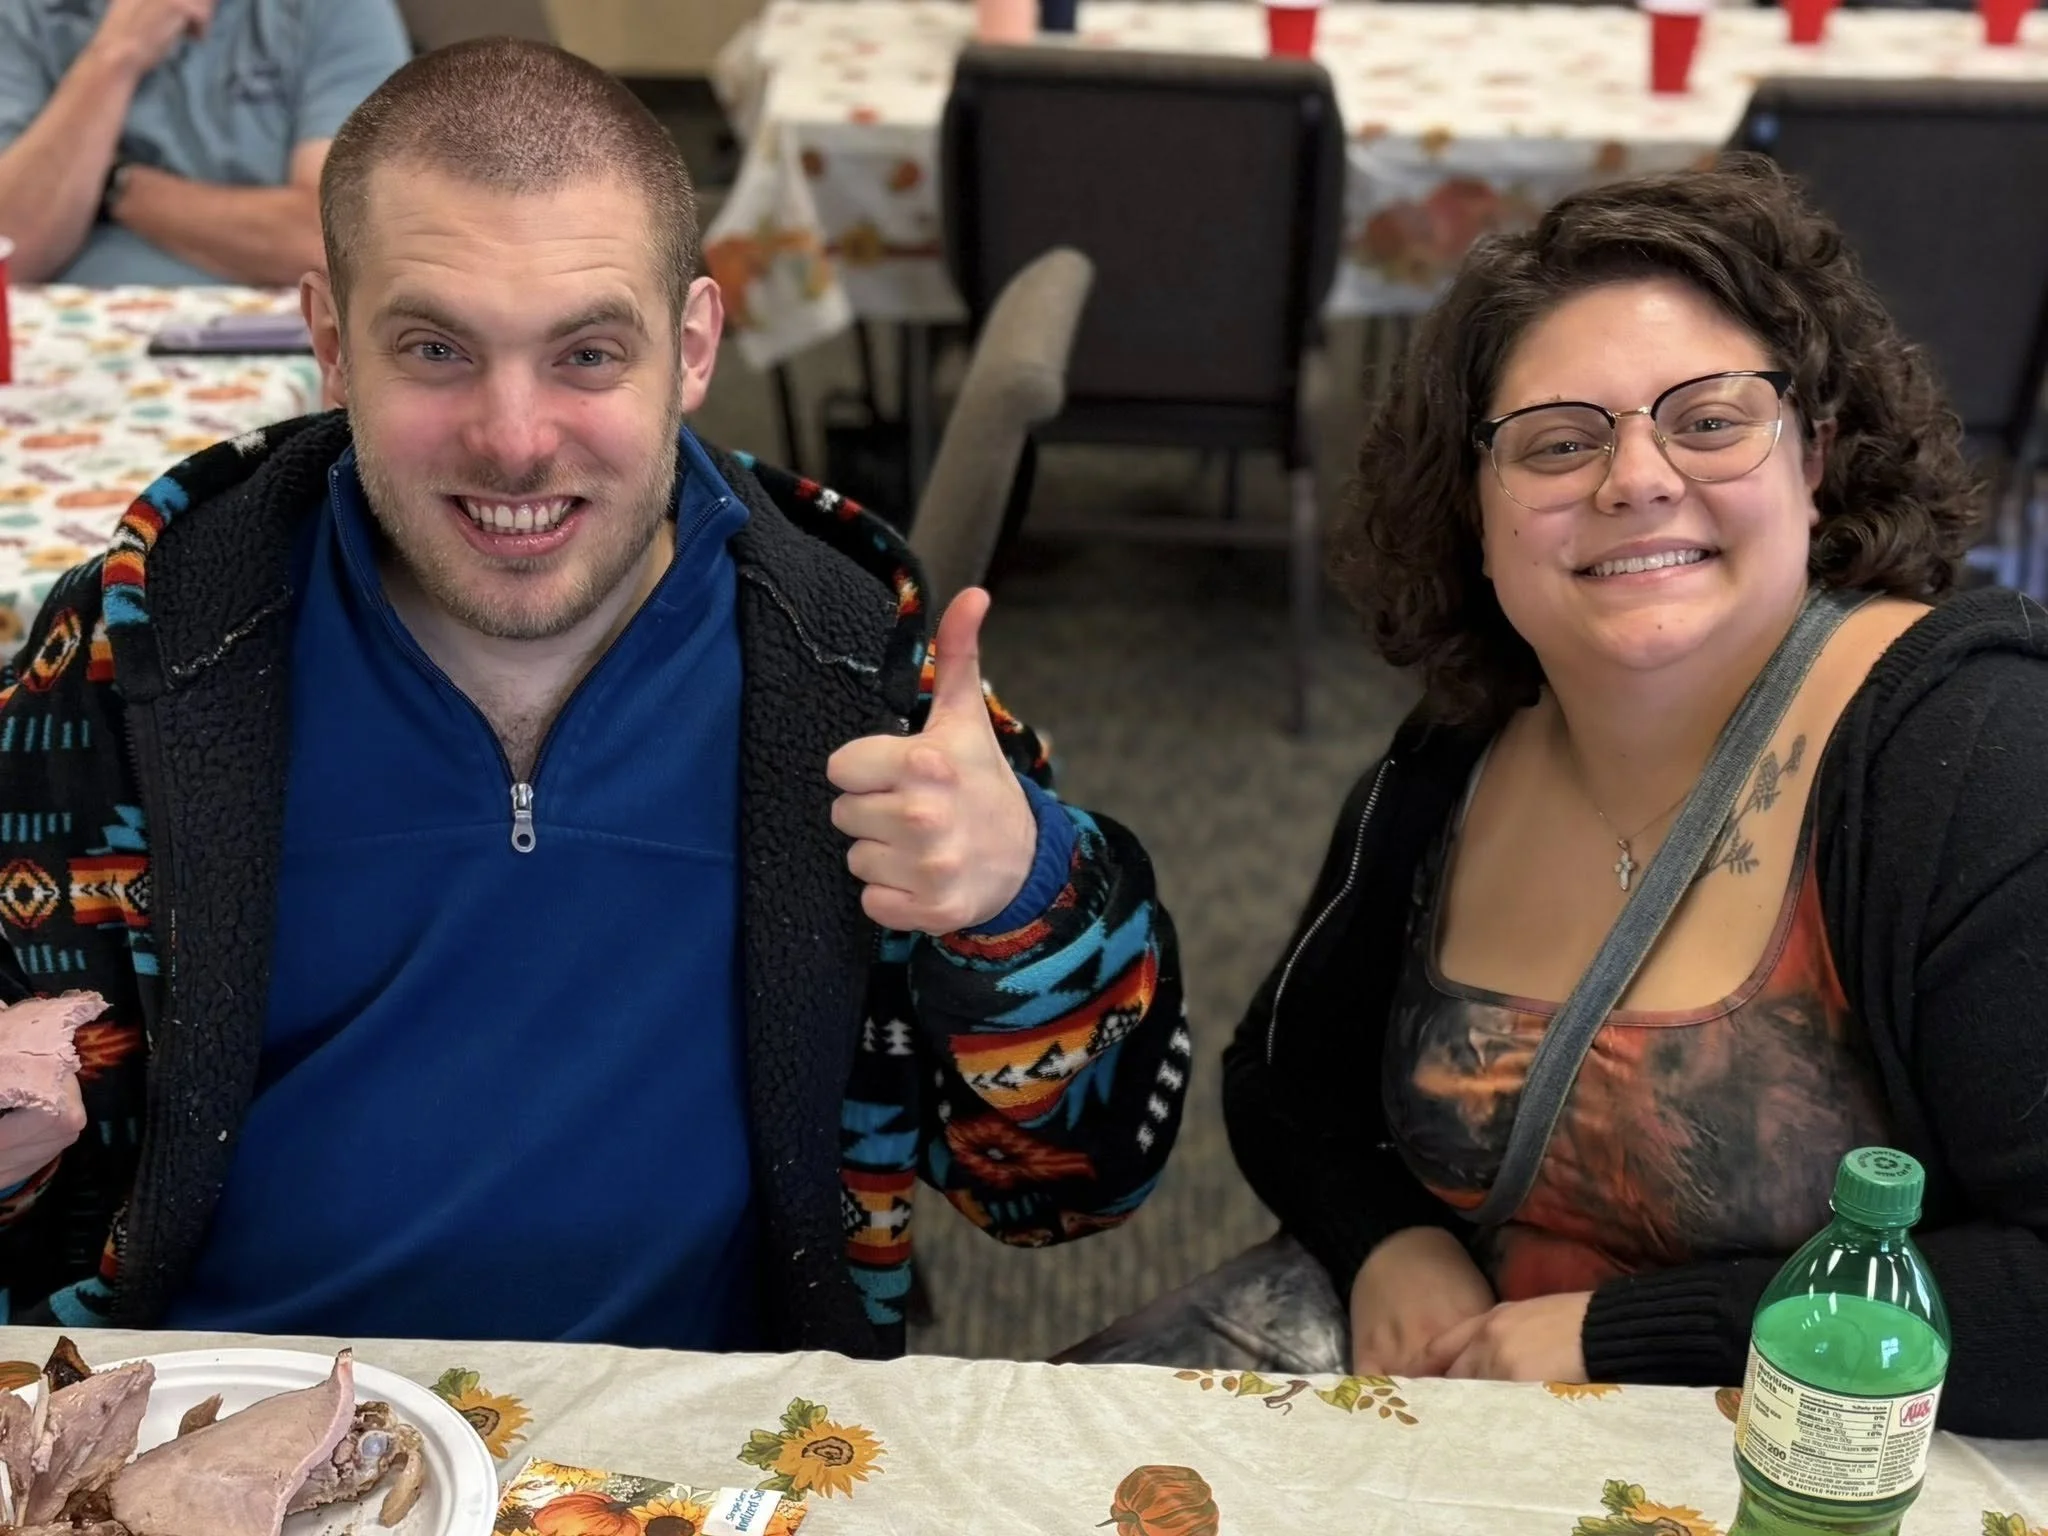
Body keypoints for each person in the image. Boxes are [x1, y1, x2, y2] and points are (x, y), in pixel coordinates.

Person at [0, 38, 1189, 1357]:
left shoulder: (859, 678)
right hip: (213, 1428)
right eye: (438, 349)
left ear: (690, 350)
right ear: (331, 344)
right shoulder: (137, 663)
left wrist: (1022, 903)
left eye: (586, 355)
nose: (514, 437)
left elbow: (1076, 1191)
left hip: (691, 1451)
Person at [1084, 157, 2047, 1440]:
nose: (1634, 478)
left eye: (1706, 420)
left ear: (1814, 457)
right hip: (1465, 1402)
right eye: (1557, 442)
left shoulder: (1968, 750)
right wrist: (1381, 1243)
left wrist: (1620, 1339)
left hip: (1817, 1462)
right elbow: (1284, 1079)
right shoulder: (1457, 754)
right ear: (1474, 515)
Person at [0, 0, 411, 285]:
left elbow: (333, 242)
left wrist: (114, 185)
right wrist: (115, 55)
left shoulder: (334, 11)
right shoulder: (23, 15)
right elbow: (11, 251)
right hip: (65, 344)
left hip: (262, 344)